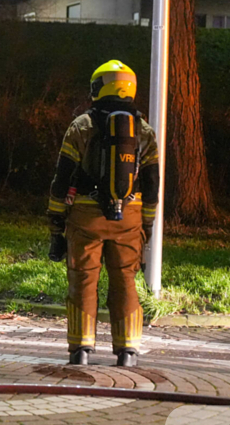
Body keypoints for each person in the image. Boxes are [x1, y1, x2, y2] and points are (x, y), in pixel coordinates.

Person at [47, 61, 160, 367]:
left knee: (83, 281)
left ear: (99, 87)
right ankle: (128, 352)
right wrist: (145, 225)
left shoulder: (81, 126)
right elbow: (152, 185)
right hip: (131, 216)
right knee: (124, 280)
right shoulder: (144, 130)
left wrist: (56, 222)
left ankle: (81, 350)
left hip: (86, 216)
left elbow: (62, 178)